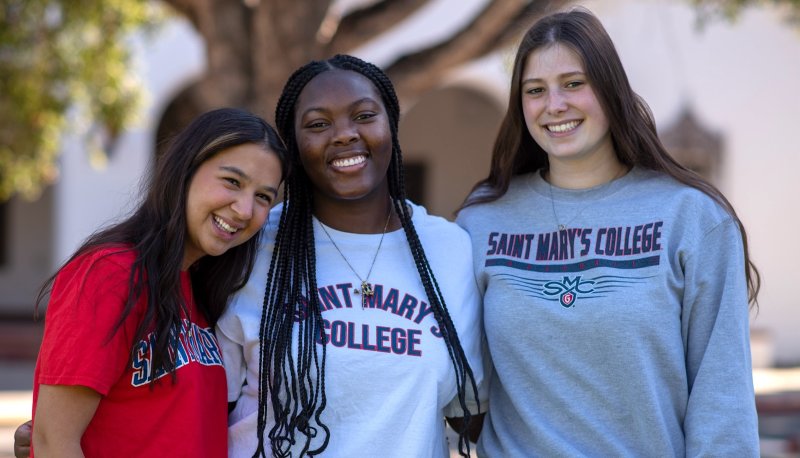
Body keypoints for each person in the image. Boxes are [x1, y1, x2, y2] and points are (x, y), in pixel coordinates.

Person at [456, 8, 761, 457]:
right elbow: (456, 383)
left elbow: (723, 402)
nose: (554, 104)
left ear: (611, 88)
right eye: (535, 90)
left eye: (574, 84)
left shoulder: (692, 218)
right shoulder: (482, 222)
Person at [216, 54, 485, 458]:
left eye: (363, 115)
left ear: (390, 125)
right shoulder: (254, 243)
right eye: (318, 124)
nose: (344, 135)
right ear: (295, 144)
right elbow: (209, 405)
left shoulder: (449, 249)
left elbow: (470, 409)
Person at [27, 107, 288, 457]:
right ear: (185, 170)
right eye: (232, 181)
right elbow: (51, 442)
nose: (243, 209)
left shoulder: (201, 292)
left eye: (263, 198)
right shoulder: (110, 274)